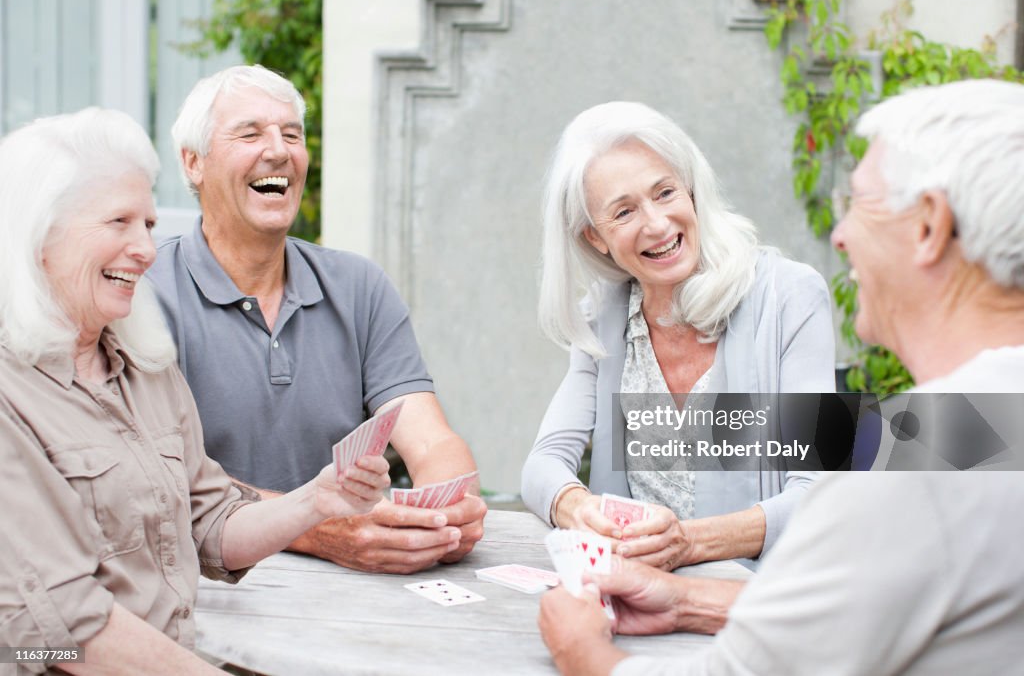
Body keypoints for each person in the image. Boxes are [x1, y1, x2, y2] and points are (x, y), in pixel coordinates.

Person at [537, 79, 1024, 675]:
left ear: (928, 227)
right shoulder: (980, 424)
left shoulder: (924, 467)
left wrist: (585, 652)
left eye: (860, 204)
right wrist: (687, 599)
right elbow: (842, 619)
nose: (839, 234)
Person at [0, 108, 390, 675]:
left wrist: (318, 500)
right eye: (118, 223)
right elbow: (61, 628)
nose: (146, 249)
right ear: (39, 237)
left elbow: (211, 524)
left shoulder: (146, 366)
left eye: (150, 225)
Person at [147, 65, 485, 574]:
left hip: (356, 589)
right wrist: (318, 529)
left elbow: (431, 438)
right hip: (209, 592)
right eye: (250, 133)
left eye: (292, 134)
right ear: (194, 163)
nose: (279, 151)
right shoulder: (144, 296)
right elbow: (164, 481)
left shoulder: (359, 286)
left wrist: (447, 509)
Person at [521, 101, 835, 573]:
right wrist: (580, 509)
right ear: (595, 238)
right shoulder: (604, 317)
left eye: (665, 192)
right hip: (640, 597)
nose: (657, 224)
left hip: (763, 602)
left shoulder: (789, 294)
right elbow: (544, 464)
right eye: (623, 212)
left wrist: (686, 543)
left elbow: (818, 491)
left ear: (690, 191)